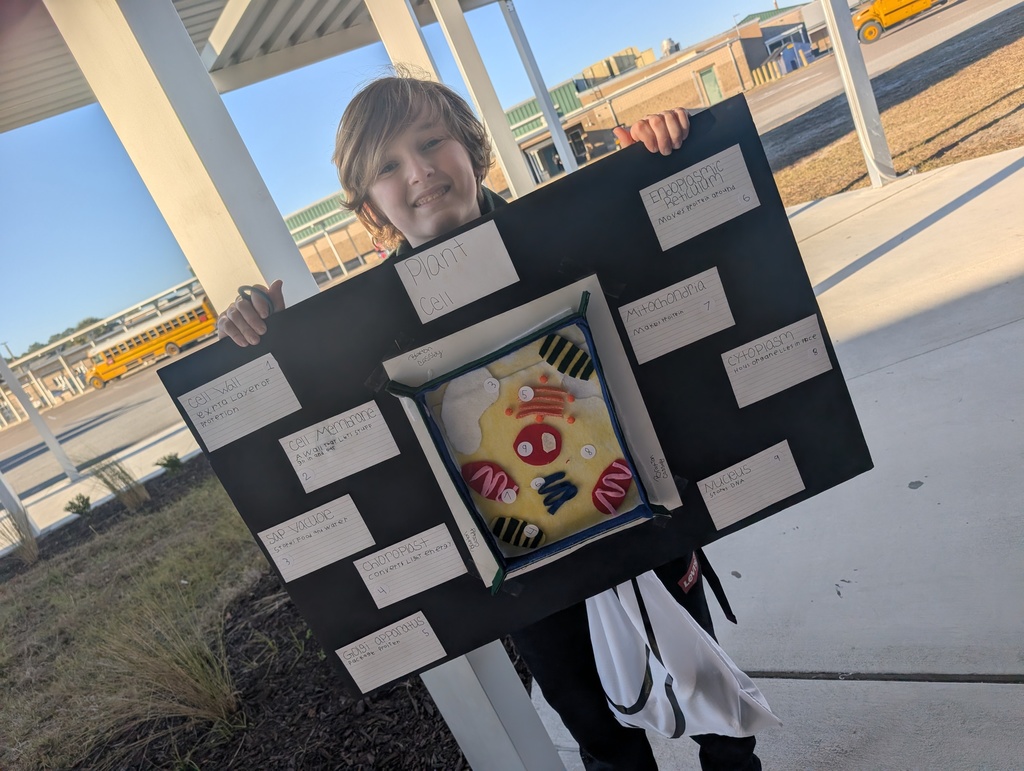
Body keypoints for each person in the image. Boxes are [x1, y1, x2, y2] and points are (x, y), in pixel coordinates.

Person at [218, 74, 759, 771]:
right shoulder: (363, 335)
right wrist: (256, 341)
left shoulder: (572, 234)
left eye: (431, 142)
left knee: (715, 705)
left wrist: (665, 152)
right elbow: (319, 440)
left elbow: (672, 291)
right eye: (387, 166)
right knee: (603, 739)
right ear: (368, 206)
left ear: (472, 148)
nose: (418, 172)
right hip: (520, 569)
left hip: (640, 519)